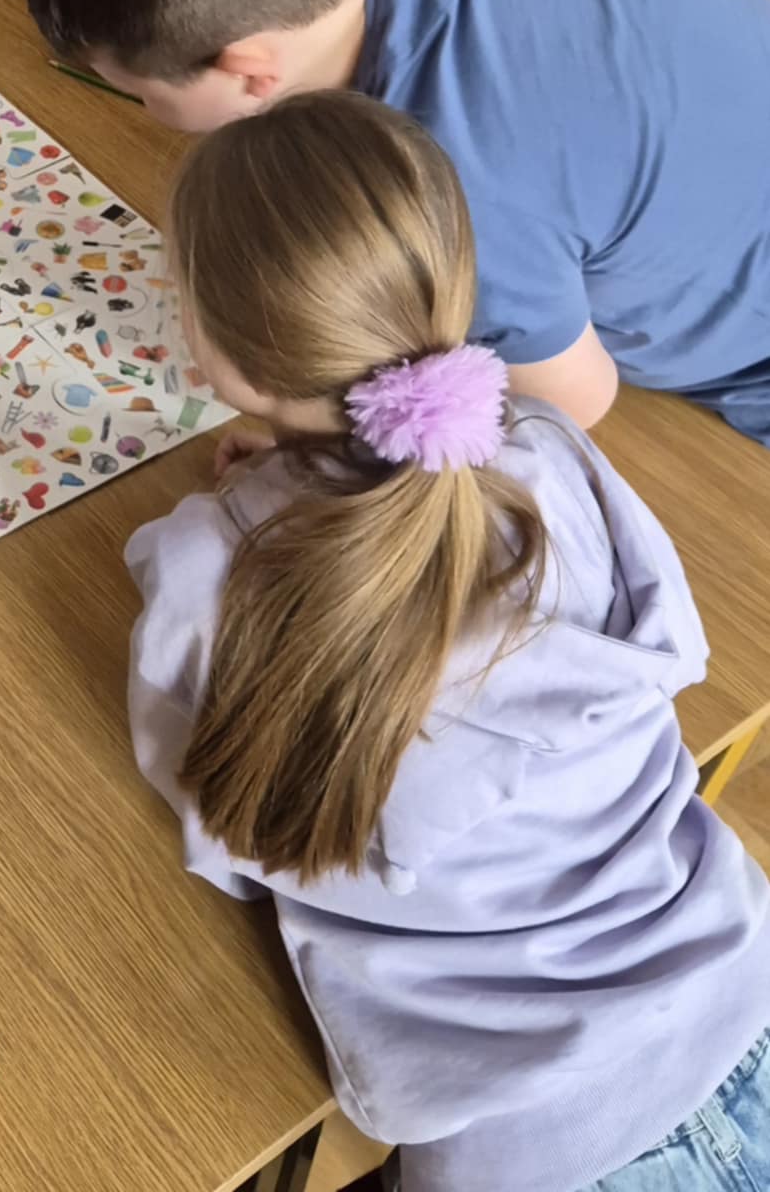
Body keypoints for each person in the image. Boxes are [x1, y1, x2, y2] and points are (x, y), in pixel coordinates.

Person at [128, 91, 770, 1192]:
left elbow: (229, 844)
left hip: (535, 1148)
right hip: (741, 994)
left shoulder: (202, 574)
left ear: (228, 358)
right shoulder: (547, 449)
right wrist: (285, 488)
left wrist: (246, 514)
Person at [21, 0, 770, 445]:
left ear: (249, 71)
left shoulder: (451, 184)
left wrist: (324, 442)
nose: (142, 114)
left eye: (137, 94)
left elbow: (569, 403)